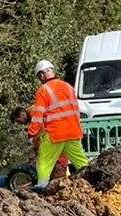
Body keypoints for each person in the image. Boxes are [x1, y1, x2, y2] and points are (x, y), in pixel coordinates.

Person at [28, 60, 90, 189]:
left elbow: (38, 115)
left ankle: (42, 187)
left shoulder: (43, 90)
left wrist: (32, 133)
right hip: (73, 131)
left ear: (41, 75)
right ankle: (91, 182)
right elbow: (75, 110)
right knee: (81, 161)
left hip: (55, 134)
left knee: (44, 161)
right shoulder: (68, 86)